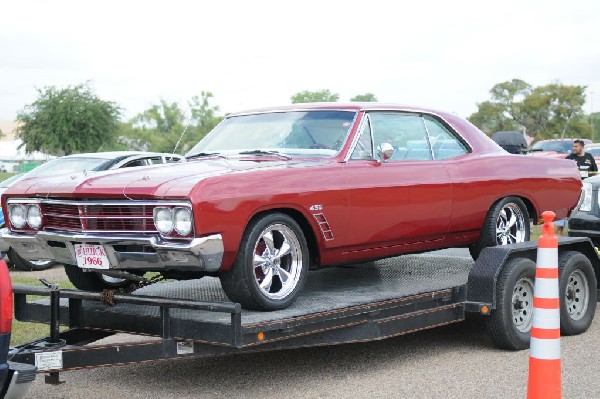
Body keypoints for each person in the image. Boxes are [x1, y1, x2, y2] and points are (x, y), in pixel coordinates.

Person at [556, 139, 598, 235]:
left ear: (582, 147)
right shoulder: (570, 158)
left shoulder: (589, 157)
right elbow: (561, 167)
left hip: (586, 188)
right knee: (565, 207)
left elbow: (595, 172)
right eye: (573, 146)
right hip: (573, 188)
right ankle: (560, 231)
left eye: (576, 146)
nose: (574, 148)